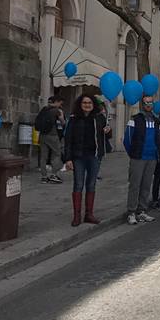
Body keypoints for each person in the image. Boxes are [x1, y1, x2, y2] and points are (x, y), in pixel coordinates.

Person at [63, 94, 109, 226]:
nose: (87, 105)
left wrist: (108, 131)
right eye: (84, 103)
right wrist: (68, 159)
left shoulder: (99, 118)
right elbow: (68, 139)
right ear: (80, 104)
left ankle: (89, 214)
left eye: (89, 103)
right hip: (78, 156)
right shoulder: (74, 119)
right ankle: (76, 216)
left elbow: (106, 136)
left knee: (91, 184)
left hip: (94, 155)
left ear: (93, 104)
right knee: (78, 184)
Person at [122, 95, 159, 225]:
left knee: (146, 186)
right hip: (138, 158)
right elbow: (127, 139)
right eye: (146, 103)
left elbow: (157, 139)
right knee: (134, 186)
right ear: (142, 105)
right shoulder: (135, 119)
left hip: (152, 158)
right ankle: (131, 212)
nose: (149, 105)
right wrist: (133, 154)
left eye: (151, 102)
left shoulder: (156, 120)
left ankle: (142, 211)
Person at [34, 96, 65, 183]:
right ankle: (53, 175)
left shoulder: (44, 109)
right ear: (57, 102)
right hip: (52, 135)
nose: (60, 105)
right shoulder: (57, 111)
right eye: (60, 103)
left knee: (43, 156)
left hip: (42, 135)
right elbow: (63, 122)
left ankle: (44, 176)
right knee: (56, 154)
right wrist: (61, 115)